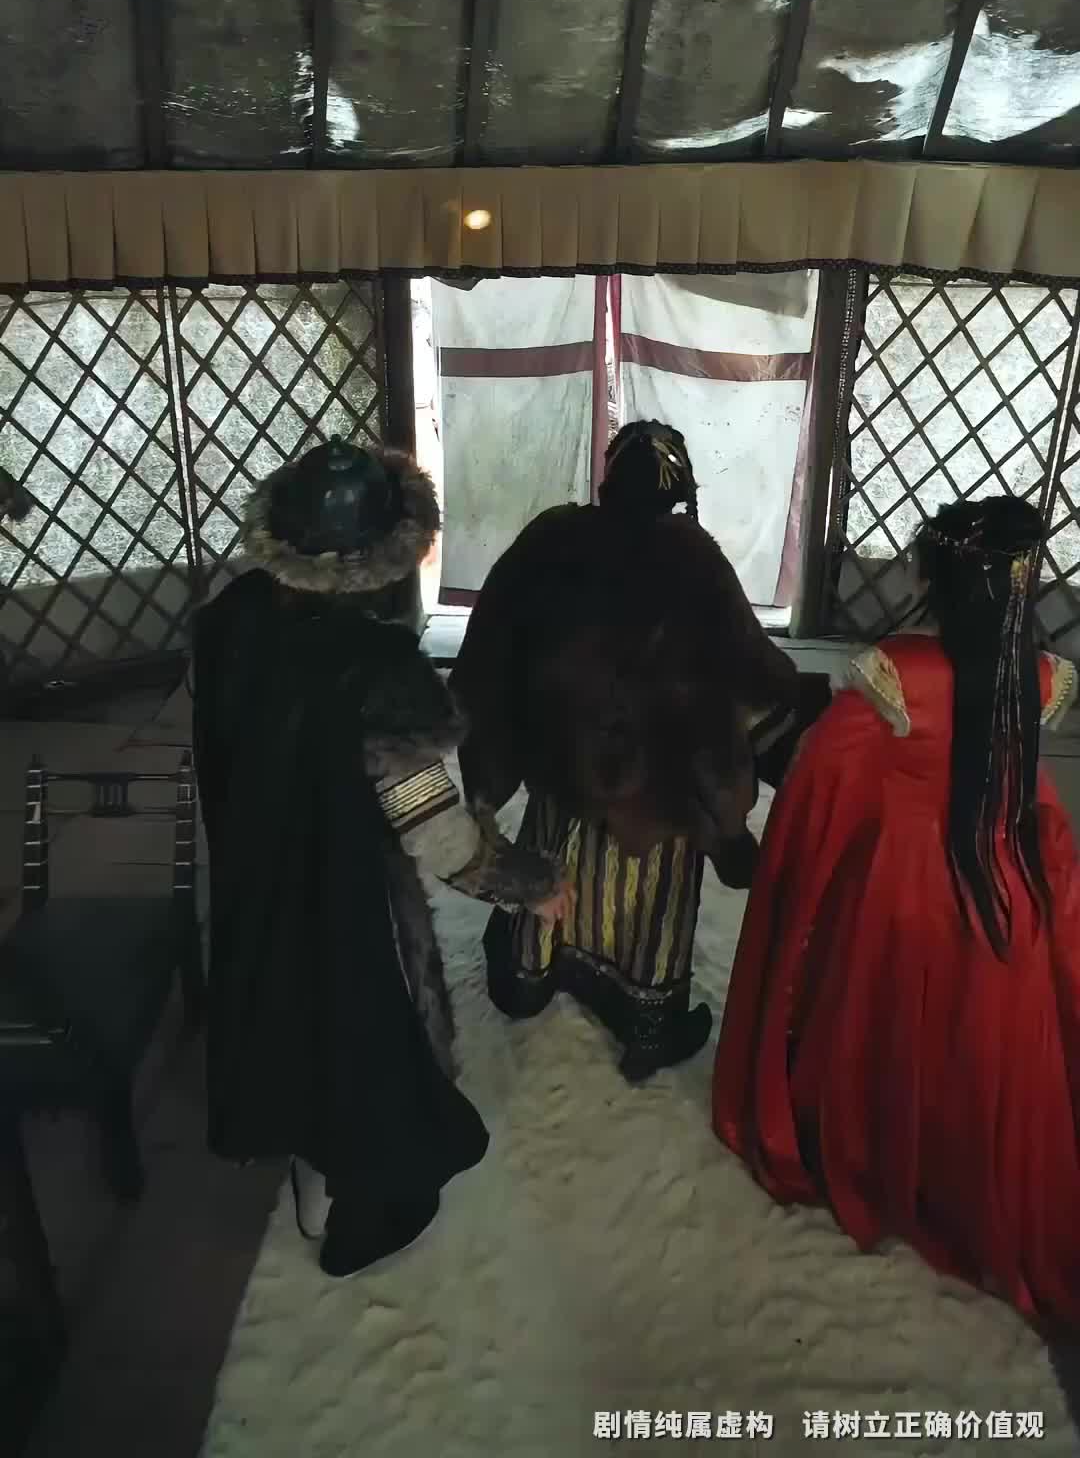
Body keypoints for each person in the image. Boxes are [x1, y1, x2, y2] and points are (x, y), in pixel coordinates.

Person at [191, 437, 568, 1279]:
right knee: (359, 1039)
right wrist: (527, 884)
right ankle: (358, 1206)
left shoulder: (227, 621)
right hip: (347, 896)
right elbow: (432, 826)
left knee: (279, 1016)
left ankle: (307, 1172)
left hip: (255, 869)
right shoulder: (382, 670)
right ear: (388, 555)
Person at [712, 495, 1080, 1333]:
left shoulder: (896, 672)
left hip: (904, 895)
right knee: (986, 1055)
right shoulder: (1047, 679)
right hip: (1007, 896)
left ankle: (884, 1164)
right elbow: (1034, 799)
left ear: (933, 579)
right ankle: (965, 1188)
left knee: (885, 1029)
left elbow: (819, 782)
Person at [450, 419, 831, 1083]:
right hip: (660, 793)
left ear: (608, 478)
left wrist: (492, 767)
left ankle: (530, 975)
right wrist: (805, 724)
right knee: (655, 890)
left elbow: (489, 652)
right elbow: (753, 669)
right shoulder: (694, 556)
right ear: (680, 494)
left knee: (553, 855)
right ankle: (647, 1021)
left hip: (563, 772)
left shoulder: (552, 536)